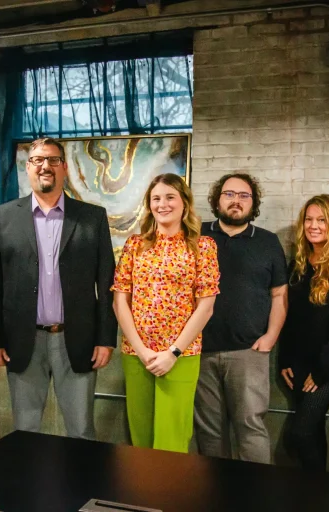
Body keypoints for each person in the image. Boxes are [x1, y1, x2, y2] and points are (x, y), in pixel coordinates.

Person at [0, 137, 117, 440]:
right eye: (38, 160)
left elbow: (106, 283)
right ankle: (30, 488)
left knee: (81, 429)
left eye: (54, 160)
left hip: (77, 339)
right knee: (25, 430)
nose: (45, 166)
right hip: (22, 339)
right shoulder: (2, 217)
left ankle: (81, 488)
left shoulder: (92, 218)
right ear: (27, 167)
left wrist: (105, 339)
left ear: (65, 168)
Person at [113, 173, 220, 453]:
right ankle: (142, 496)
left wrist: (173, 352)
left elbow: (205, 307)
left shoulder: (203, 246)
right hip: (137, 354)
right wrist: (141, 349)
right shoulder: (135, 245)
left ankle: (169, 496)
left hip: (181, 355)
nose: (163, 204)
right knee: (141, 434)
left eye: (170, 197)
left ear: (184, 202)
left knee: (172, 437)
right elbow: (119, 301)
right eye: (156, 198)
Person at [193, 173, 287, 464]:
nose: (236, 200)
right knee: (208, 433)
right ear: (217, 200)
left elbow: (279, 296)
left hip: (248, 352)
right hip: (199, 351)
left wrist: (270, 337)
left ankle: (255, 497)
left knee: (251, 428)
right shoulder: (197, 234)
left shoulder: (268, 242)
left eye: (244, 195)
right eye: (229, 194)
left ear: (253, 202)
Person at [278, 194, 329, 471]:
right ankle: (315, 497)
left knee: (300, 432)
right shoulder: (300, 263)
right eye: (309, 219)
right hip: (300, 363)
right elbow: (291, 318)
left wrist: (324, 370)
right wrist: (285, 360)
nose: (313, 226)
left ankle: (318, 494)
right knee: (312, 432)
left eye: (321, 220)